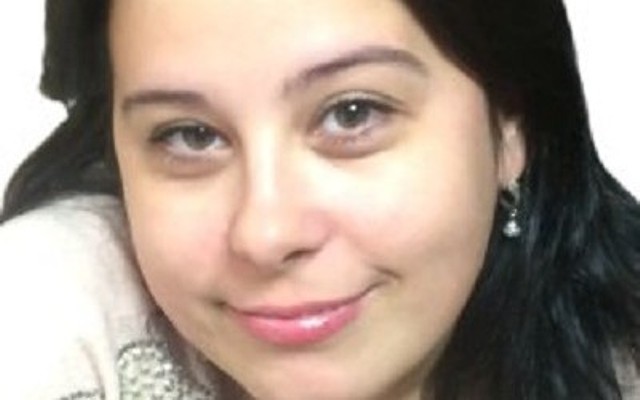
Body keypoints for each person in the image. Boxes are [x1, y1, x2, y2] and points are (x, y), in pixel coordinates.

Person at [1, 0, 639, 399]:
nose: (265, 234)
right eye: (190, 135)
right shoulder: (52, 303)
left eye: (352, 114)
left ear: (509, 127)